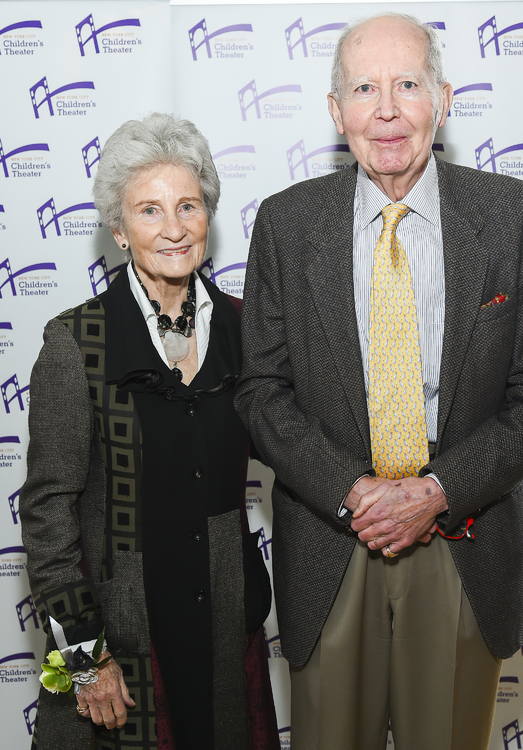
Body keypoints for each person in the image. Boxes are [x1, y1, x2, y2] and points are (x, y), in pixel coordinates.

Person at [235, 13, 523, 750]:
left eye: (407, 85)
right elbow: (260, 393)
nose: (386, 110)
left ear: (442, 100)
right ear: (336, 112)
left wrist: (437, 490)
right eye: (364, 87)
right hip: (333, 540)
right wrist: (354, 492)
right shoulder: (286, 225)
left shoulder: (507, 213)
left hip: (463, 537)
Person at [21, 113, 279, 750]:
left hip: (226, 624)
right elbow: (49, 510)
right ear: (117, 228)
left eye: (188, 205)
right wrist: (86, 655)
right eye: (149, 210)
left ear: (208, 216)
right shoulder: (75, 342)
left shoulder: (251, 329)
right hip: (124, 637)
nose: (173, 228)